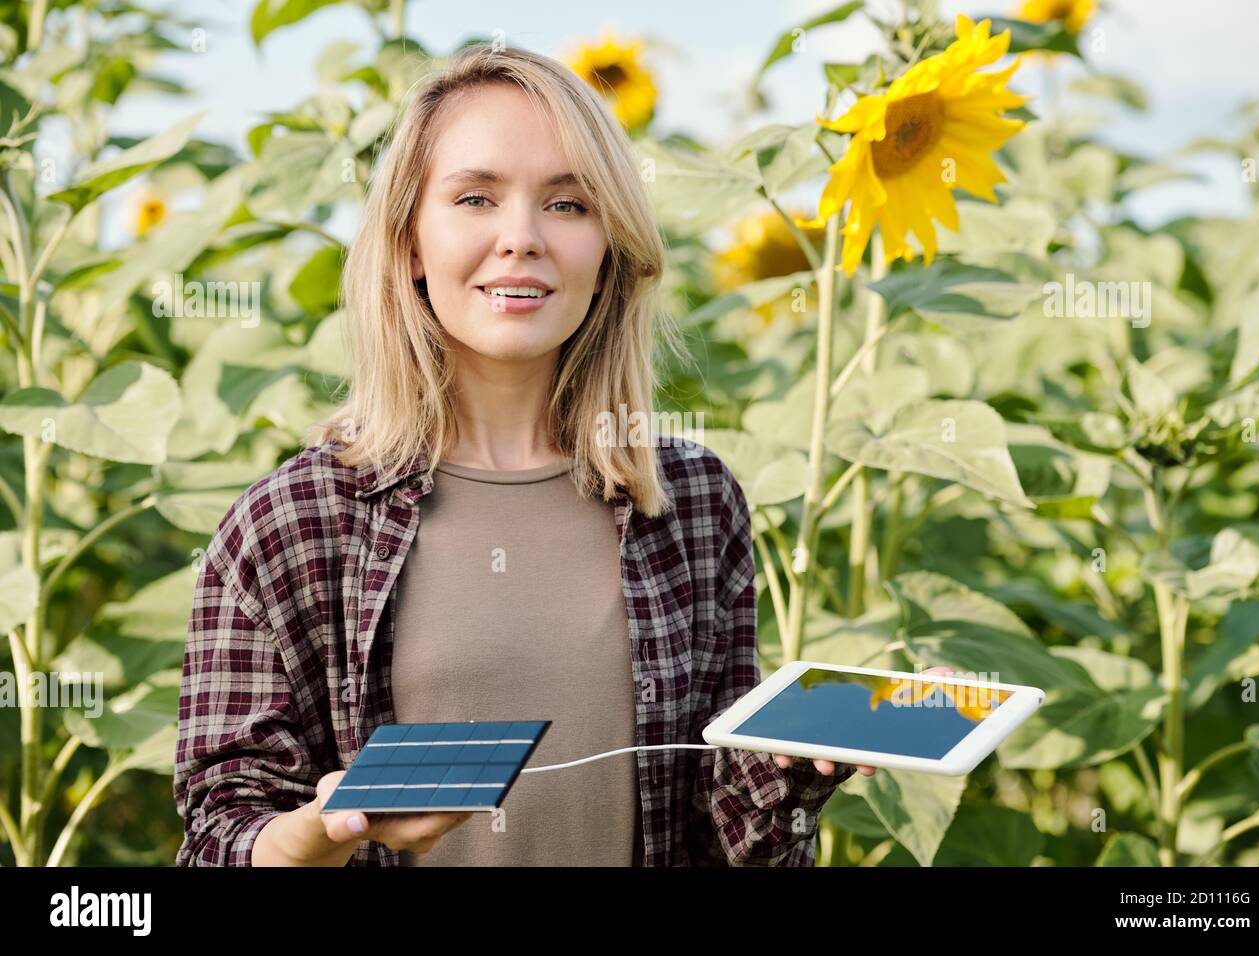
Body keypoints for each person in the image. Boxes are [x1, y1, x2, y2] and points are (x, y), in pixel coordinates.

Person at [173, 43, 945, 867]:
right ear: (408, 246)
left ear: (610, 246)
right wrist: (310, 839)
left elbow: (726, 844)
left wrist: (787, 777)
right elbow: (219, 833)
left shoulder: (690, 502)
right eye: (475, 198)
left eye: (569, 205)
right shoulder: (290, 524)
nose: (522, 239)